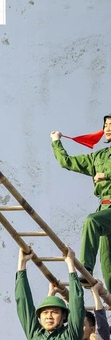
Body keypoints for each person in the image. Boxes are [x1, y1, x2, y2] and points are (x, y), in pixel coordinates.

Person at [51, 121, 111, 282]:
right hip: (105, 209)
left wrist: (106, 175)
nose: (108, 128)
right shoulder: (99, 156)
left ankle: (86, 268)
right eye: (106, 125)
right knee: (108, 265)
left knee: (92, 221)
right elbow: (68, 162)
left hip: (103, 215)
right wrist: (57, 142)